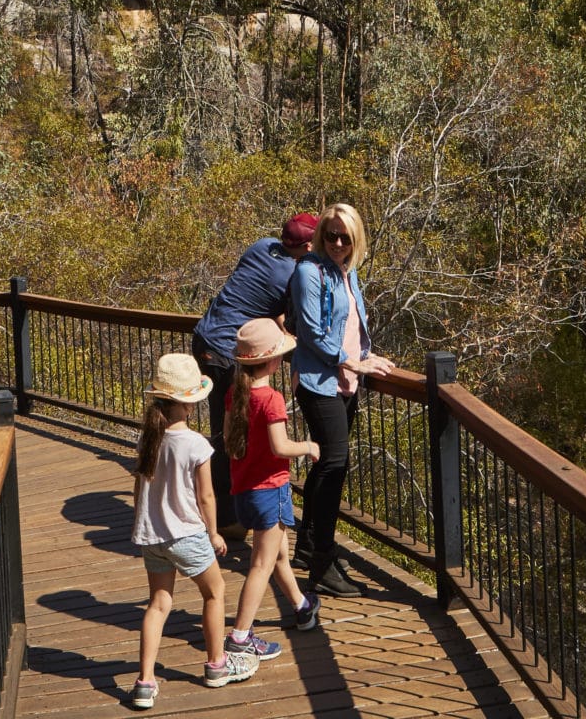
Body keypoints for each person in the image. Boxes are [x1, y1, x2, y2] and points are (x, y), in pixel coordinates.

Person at [129, 353, 259, 708]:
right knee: (215, 592)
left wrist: (138, 524)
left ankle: (145, 681)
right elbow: (206, 496)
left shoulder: (148, 439)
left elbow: (139, 488)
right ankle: (217, 664)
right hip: (186, 534)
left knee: (159, 603)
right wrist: (214, 533)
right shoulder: (196, 444)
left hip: (153, 536)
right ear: (188, 403)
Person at [287, 202, 395, 599]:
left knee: (327, 466)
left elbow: (350, 326)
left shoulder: (347, 273)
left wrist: (366, 358)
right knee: (334, 465)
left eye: (344, 237)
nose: (335, 242)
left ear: (355, 239)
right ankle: (322, 563)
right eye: (329, 235)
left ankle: (309, 547)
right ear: (320, 236)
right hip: (319, 381)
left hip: (345, 380)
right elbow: (313, 333)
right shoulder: (309, 272)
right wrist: (353, 362)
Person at [191, 213, 318, 526]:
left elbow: (254, 295)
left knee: (227, 430)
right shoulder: (295, 274)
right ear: (308, 244)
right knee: (230, 434)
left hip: (204, 337)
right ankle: (229, 517)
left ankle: (230, 510)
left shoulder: (261, 246)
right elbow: (289, 320)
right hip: (227, 351)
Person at [223, 318, 321, 659]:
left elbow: (227, 439)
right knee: (261, 564)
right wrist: (308, 446)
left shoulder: (235, 393)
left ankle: (301, 607)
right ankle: (239, 636)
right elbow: (281, 447)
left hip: (244, 489)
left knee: (277, 554)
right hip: (271, 490)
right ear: (274, 360)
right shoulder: (272, 399)